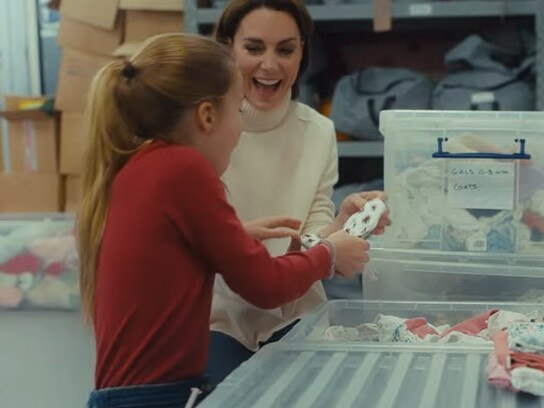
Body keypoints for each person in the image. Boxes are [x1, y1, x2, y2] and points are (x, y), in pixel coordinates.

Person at [76, 33, 368, 408]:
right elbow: (264, 286)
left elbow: (162, 254)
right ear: (207, 115)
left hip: (125, 396)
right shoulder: (184, 169)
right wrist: (328, 254)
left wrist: (235, 236)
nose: (242, 128)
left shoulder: (141, 166)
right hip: (157, 398)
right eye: (239, 110)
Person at [208, 0, 391, 385]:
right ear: (227, 48)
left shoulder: (319, 131)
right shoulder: (201, 127)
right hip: (215, 317)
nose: (270, 65)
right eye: (254, 48)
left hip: (292, 313)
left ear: (302, 52)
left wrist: (344, 222)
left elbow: (311, 244)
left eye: (286, 49)